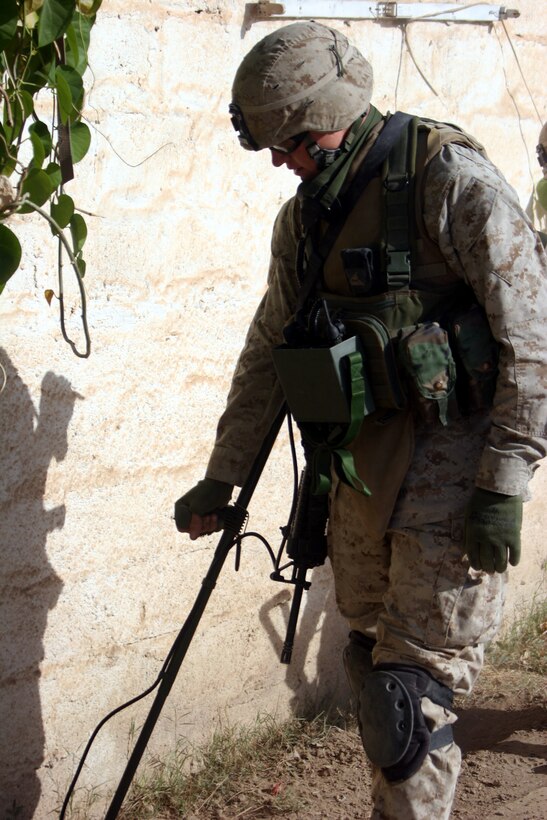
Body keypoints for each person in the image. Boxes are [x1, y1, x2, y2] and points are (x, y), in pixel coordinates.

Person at [174, 21, 547, 819]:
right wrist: (224, 471)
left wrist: (504, 482)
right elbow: (270, 347)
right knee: (370, 669)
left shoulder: (448, 179)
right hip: (355, 477)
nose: (283, 162)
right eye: (273, 148)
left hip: (453, 475)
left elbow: (531, 336)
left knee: (408, 701)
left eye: (295, 143)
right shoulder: (304, 221)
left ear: (335, 112)